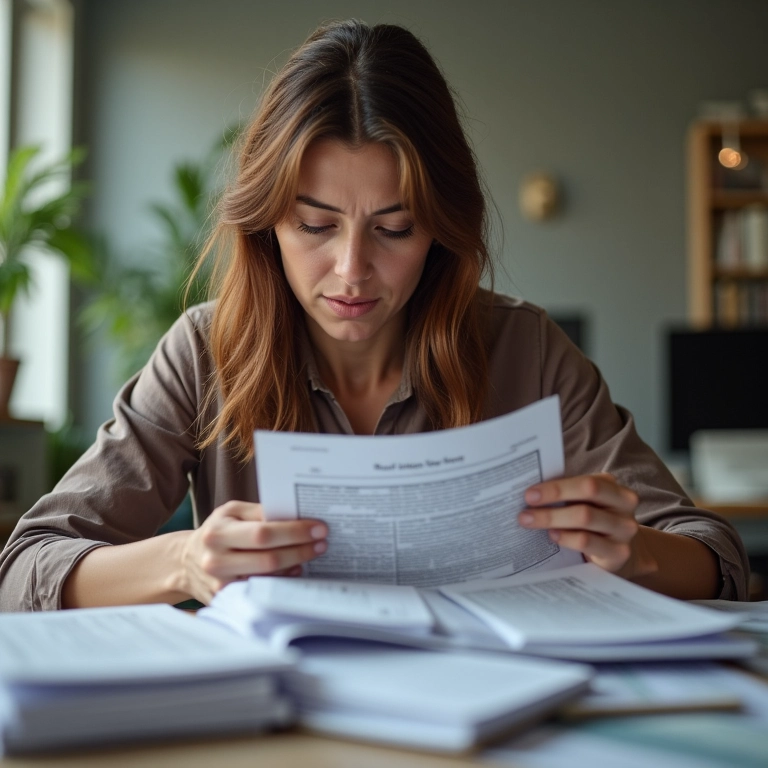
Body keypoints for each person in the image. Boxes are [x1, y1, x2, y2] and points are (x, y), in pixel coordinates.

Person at [0, 20, 748, 612]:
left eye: (394, 228)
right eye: (315, 226)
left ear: (441, 231)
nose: (352, 270)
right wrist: (185, 560)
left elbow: (716, 554)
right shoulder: (205, 351)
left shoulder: (525, 348)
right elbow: (25, 568)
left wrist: (637, 551)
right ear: (266, 226)